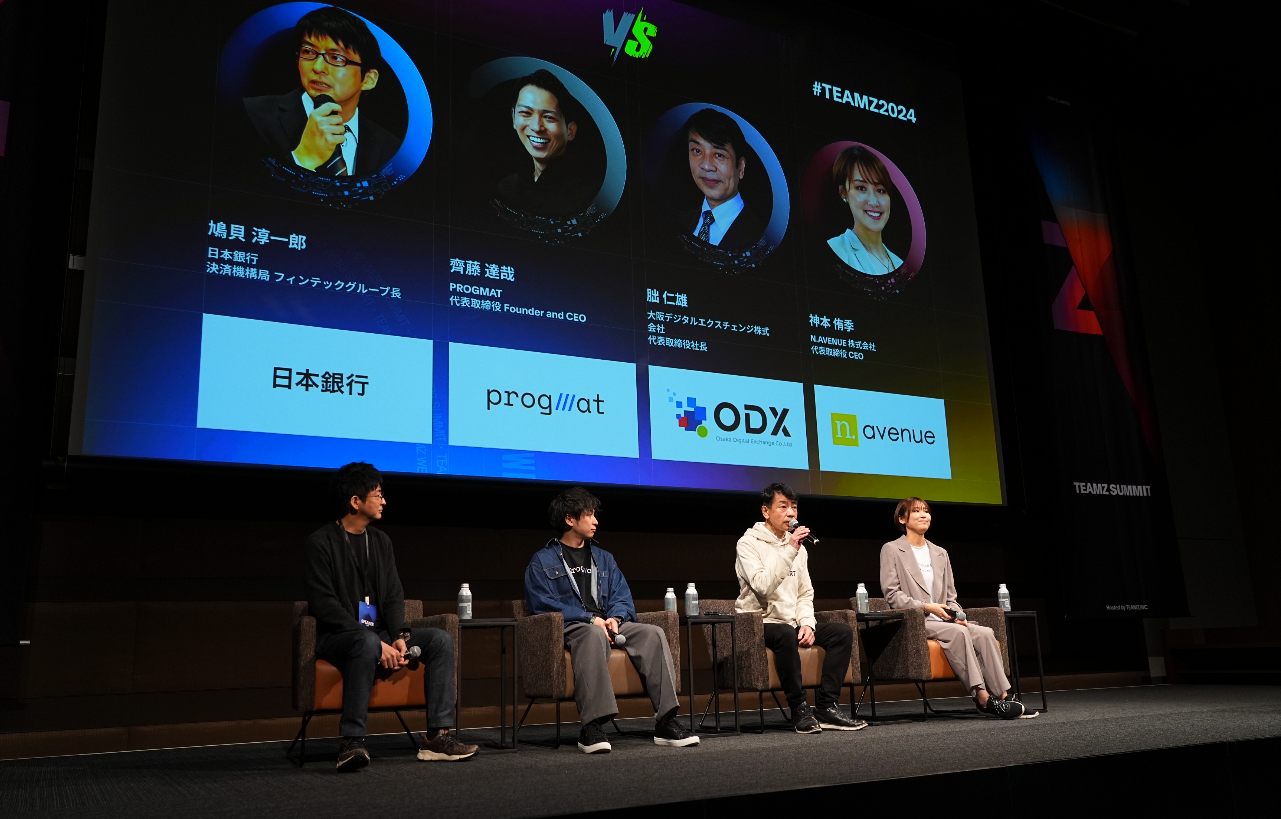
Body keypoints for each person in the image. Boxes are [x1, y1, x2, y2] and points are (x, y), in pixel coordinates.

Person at [303, 462, 476, 771]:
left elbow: (394, 596)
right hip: (338, 637)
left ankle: (437, 737)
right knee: (366, 642)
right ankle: (352, 742)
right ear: (355, 501)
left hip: (376, 634)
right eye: (378, 495)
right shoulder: (321, 543)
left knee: (440, 639)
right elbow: (324, 604)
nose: (384, 501)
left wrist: (399, 636)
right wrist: (370, 638)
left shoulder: (380, 541)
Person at [524, 487, 698, 753]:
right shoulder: (542, 560)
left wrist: (615, 618)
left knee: (652, 633)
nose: (596, 521)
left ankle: (666, 720)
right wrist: (588, 618)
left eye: (595, 515)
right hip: (571, 627)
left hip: (606, 623)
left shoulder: (604, 558)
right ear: (570, 519)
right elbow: (541, 604)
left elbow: (622, 596)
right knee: (592, 633)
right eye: (589, 515)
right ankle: (591, 726)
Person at [735, 483, 867, 733]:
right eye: (783, 506)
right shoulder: (748, 544)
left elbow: (805, 593)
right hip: (759, 622)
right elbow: (762, 586)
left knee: (841, 633)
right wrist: (790, 550)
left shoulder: (799, 549)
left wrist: (807, 623)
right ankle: (799, 709)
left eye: (794, 507)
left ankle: (826, 707)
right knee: (785, 633)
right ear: (766, 511)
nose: (790, 513)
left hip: (791, 622)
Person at [879, 497, 1026, 719]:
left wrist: (957, 614)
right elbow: (892, 595)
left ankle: (1005, 697)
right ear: (902, 519)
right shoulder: (891, 549)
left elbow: (951, 596)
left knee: (985, 633)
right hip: (916, 620)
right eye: (916, 511)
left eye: (926, 511)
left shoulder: (940, 552)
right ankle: (982, 697)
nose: (923, 515)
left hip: (944, 620)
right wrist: (927, 607)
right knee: (958, 633)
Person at [243, 6, 401, 178]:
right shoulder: (252, 114)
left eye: (337, 58)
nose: (318, 67)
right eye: (308, 52)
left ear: (368, 79)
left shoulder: (392, 148)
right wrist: (304, 158)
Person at [496, 69, 595, 217]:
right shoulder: (507, 187)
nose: (536, 127)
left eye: (549, 117)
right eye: (526, 113)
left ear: (570, 130)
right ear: (513, 118)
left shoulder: (588, 197)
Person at [679, 108, 767, 250]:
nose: (706, 166)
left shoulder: (761, 236)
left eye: (719, 155)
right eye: (697, 151)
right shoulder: (680, 221)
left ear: (741, 167)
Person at [827, 146, 904, 275]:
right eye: (861, 188)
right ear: (843, 193)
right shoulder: (835, 249)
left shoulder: (901, 265)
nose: (874, 202)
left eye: (880, 190)